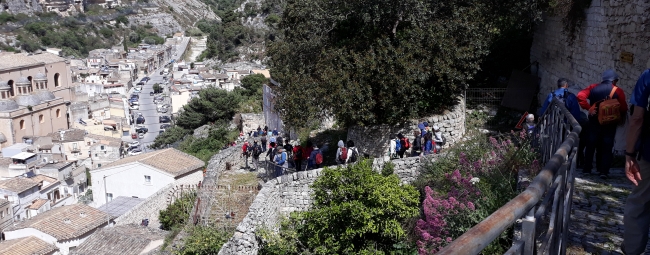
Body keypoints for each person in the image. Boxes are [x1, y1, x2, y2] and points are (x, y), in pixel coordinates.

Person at [577, 69, 628, 178]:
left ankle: (587, 169)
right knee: (607, 146)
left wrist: (589, 108)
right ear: (614, 80)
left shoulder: (593, 87)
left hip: (594, 121)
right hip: (610, 123)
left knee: (590, 144)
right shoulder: (618, 91)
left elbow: (580, 96)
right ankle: (603, 171)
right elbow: (623, 107)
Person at [622, 67, 650, 255]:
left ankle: (632, 250)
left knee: (640, 202)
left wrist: (629, 154)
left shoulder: (648, 76)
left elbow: (637, 118)